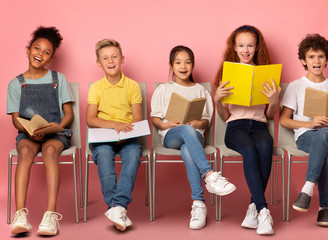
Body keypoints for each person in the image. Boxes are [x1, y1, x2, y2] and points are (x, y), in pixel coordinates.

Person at [151, 45, 236, 230]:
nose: (183, 66)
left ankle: (199, 204)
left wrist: (199, 124)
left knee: (187, 146)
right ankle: (209, 174)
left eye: (188, 62)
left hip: (194, 136)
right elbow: (156, 118)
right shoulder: (164, 89)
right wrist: (166, 124)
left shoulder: (200, 90)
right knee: (184, 131)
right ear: (171, 65)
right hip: (171, 135)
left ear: (193, 65)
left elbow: (206, 120)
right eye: (178, 62)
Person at [7, 26, 74, 236]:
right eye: (37, 48)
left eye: (47, 52)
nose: (40, 54)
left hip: (55, 132)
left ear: (51, 58)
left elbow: (69, 113)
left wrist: (57, 127)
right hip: (28, 133)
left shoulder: (58, 79)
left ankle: (51, 215)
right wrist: (29, 130)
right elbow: (16, 119)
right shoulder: (16, 84)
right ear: (28, 50)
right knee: (25, 153)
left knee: (50, 153)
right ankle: (20, 214)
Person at [213, 25, 280, 235]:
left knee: (266, 144)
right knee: (250, 149)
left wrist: (273, 100)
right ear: (234, 47)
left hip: (259, 125)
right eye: (241, 45)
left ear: (257, 47)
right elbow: (224, 117)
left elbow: (269, 116)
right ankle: (263, 210)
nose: (245, 50)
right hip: (235, 127)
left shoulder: (265, 74)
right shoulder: (227, 74)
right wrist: (217, 99)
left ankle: (253, 208)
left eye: (250, 45)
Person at [280, 34, 328, 227]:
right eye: (311, 57)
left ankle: (307, 188)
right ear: (303, 60)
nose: (316, 61)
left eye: (320, 56)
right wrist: (310, 124)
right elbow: (284, 120)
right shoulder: (295, 86)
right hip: (305, 136)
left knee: (324, 133)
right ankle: (324, 209)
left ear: (327, 59)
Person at [86, 39, 143, 231]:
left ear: (122, 59)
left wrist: (124, 133)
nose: (110, 61)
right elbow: (91, 119)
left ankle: (117, 206)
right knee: (103, 155)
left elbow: (137, 119)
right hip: (103, 136)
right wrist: (115, 126)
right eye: (105, 58)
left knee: (134, 154)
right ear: (99, 63)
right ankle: (116, 207)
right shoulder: (96, 87)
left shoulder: (133, 86)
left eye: (114, 56)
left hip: (128, 136)